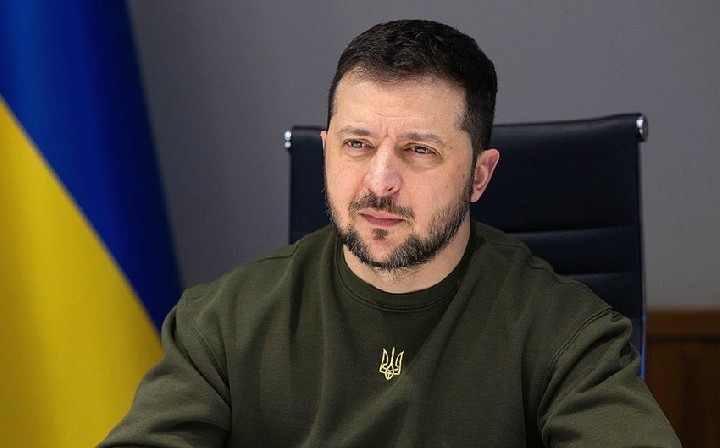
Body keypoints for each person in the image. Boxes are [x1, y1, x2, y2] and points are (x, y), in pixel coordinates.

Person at [100, 19, 680, 447]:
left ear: (480, 176)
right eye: (357, 144)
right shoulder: (222, 324)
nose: (380, 182)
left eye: (419, 150)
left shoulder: (567, 333)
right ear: (326, 152)